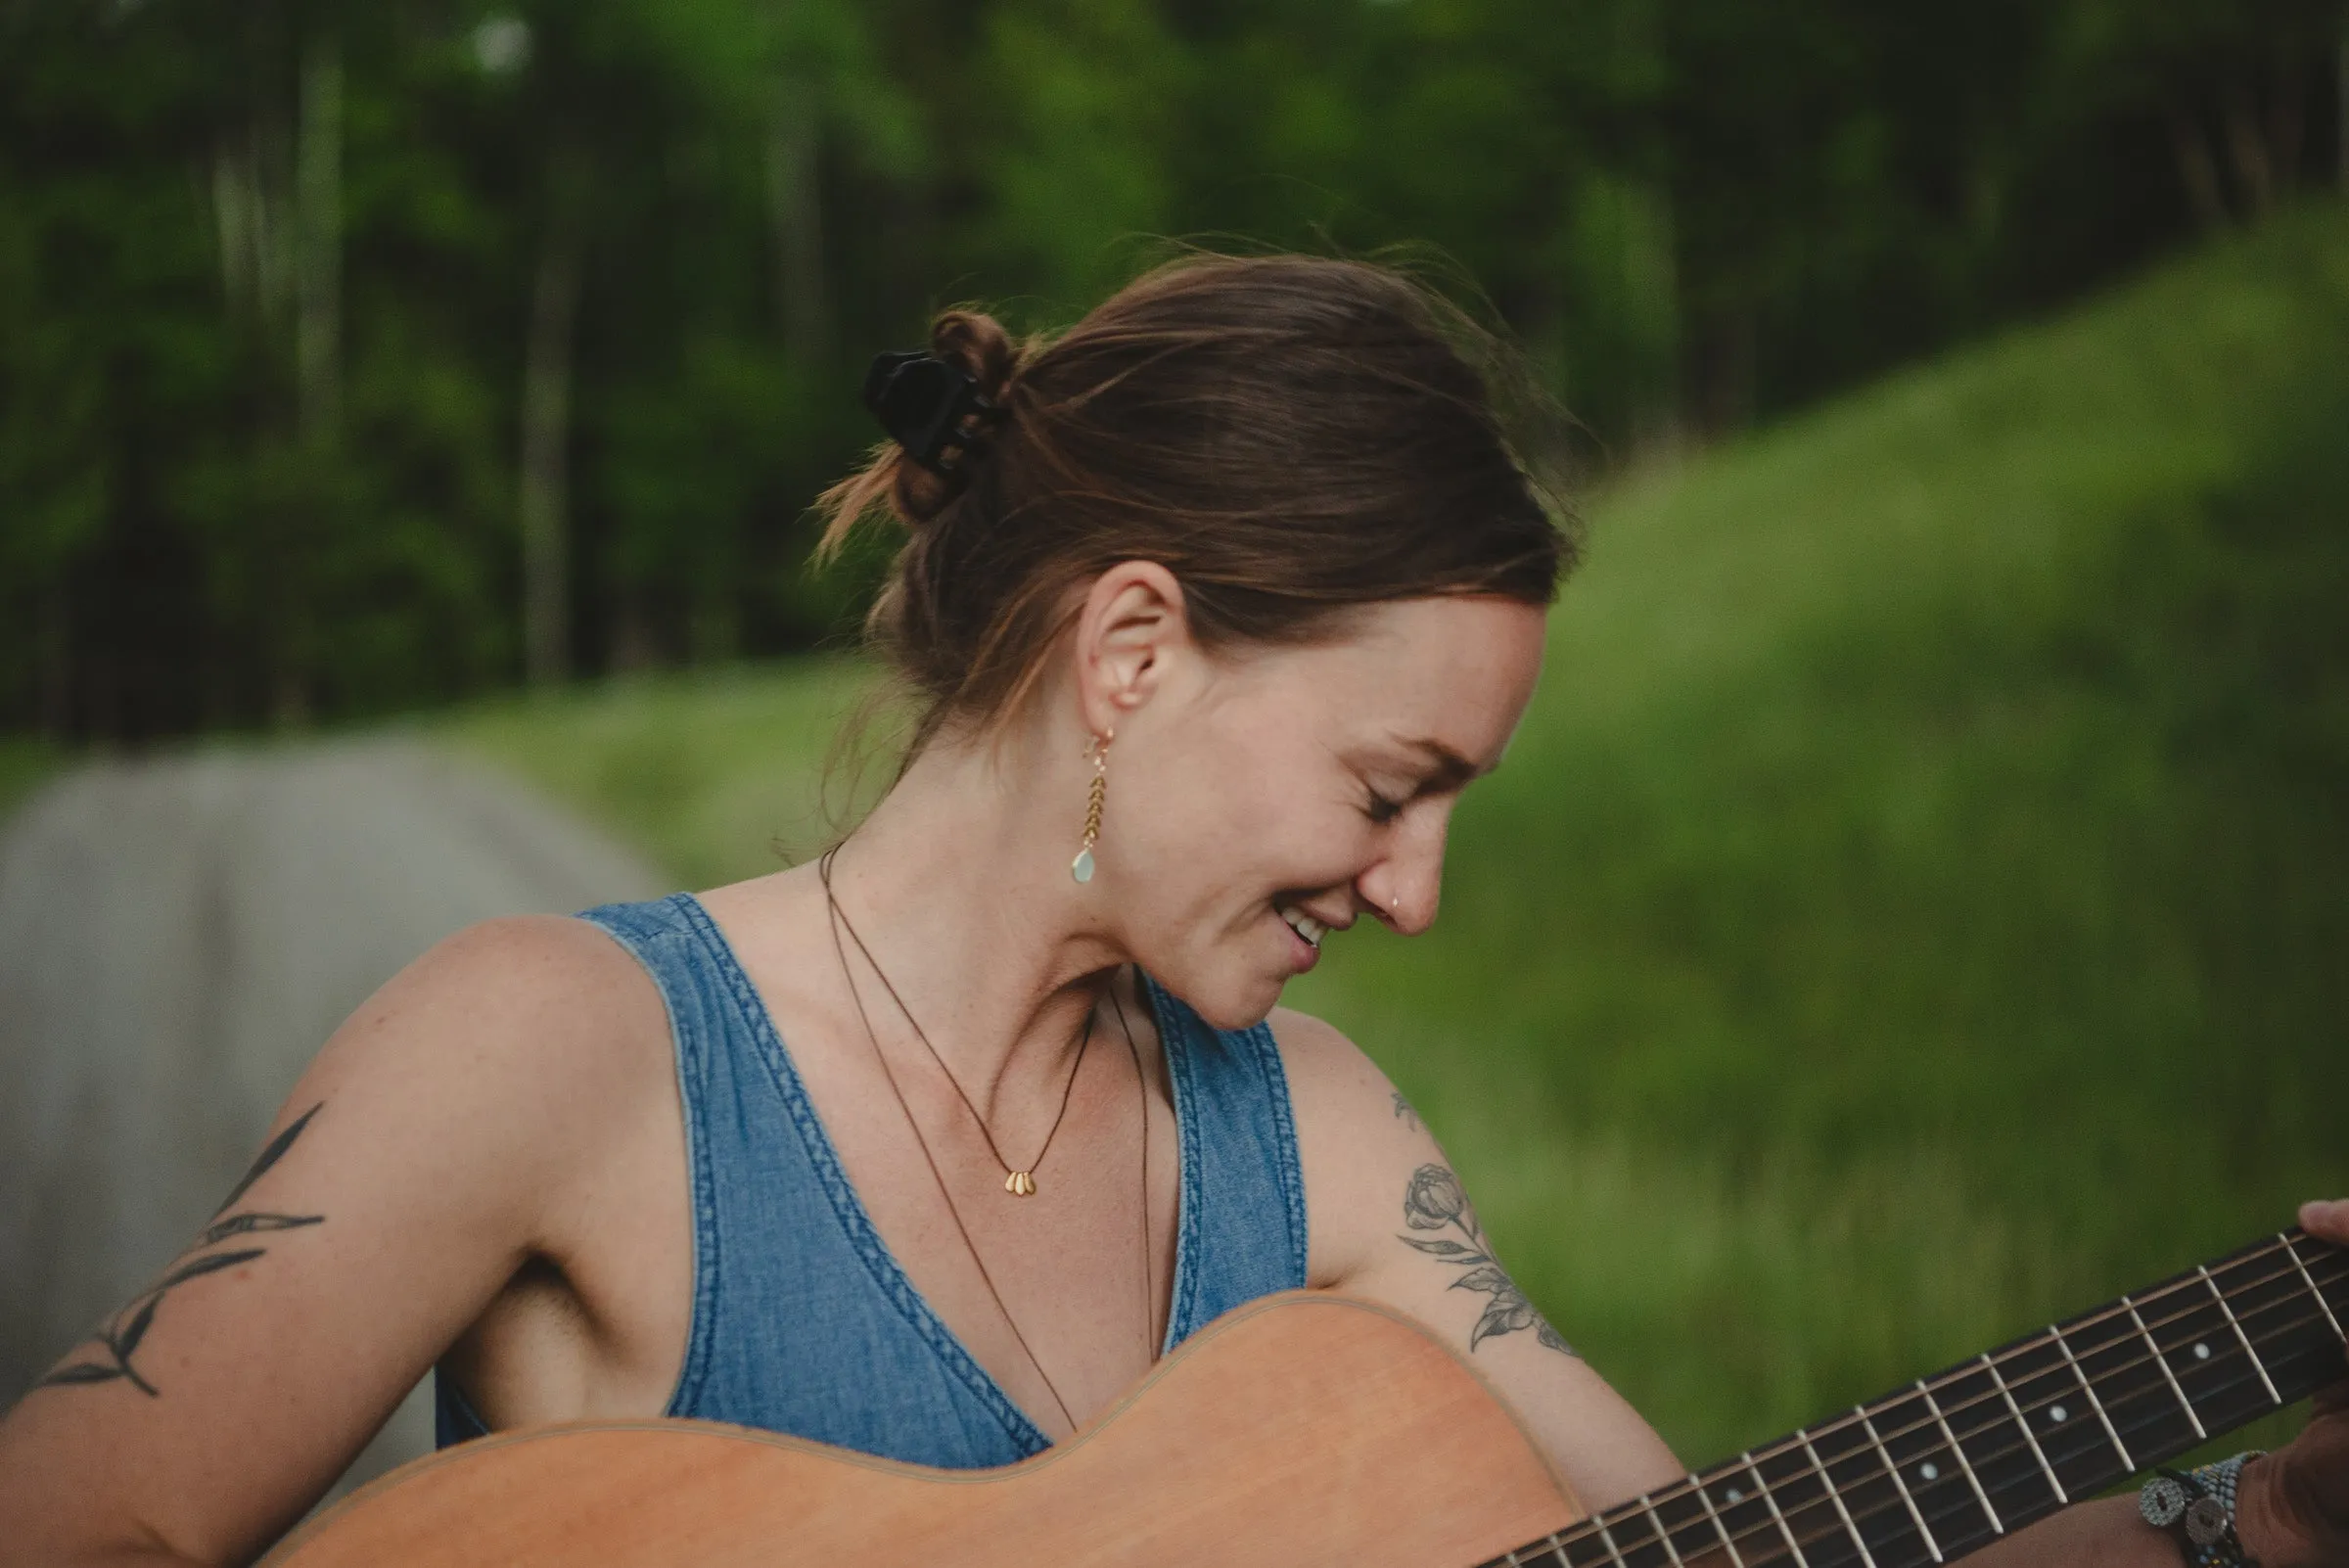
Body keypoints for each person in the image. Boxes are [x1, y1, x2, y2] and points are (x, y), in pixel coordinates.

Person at [0, 254, 2340, 1568]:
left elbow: (1740, 1550)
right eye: (1392, 785)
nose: (1420, 894)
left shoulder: (1317, 1142)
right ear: (1133, 654)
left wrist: (2269, 1512)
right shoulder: (567, 1048)